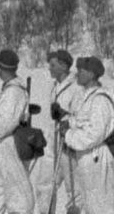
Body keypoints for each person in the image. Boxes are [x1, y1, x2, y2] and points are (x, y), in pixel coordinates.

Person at [61, 56, 114, 214]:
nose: (77, 73)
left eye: (81, 71)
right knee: (90, 205)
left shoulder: (100, 100)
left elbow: (94, 134)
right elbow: (82, 122)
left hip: (97, 157)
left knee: (101, 206)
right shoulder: (85, 97)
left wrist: (68, 135)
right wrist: (69, 123)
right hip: (85, 157)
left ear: (92, 74)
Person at [0, 49, 35, 214]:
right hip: (3, 144)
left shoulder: (14, 92)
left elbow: (6, 122)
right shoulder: (11, 89)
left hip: (9, 144)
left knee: (17, 190)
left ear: (0, 67)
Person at [34, 49, 83, 214]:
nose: (49, 68)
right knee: (44, 183)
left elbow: (80, 116)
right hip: (51, 143)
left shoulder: (76, 87)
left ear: (63, 66)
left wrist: (65, 116)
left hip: (68, 144)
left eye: (53, 65)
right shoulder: (54, 86)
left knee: (73, 185)